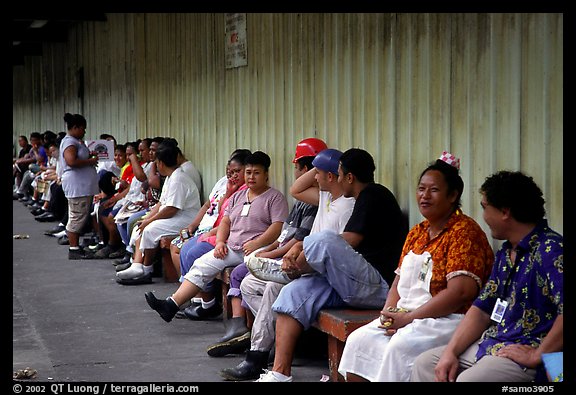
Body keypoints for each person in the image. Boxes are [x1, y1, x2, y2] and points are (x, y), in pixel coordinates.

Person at [337, 152, 495, 382]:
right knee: (360, 340)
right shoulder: (417, 232)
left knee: (398, 348)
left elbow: (461, 292)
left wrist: (410, 318)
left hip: (447, 319)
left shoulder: (464, 232)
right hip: (408, 315)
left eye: (434, 190)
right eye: (421, 189)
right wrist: (389, 313)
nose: (425, 196)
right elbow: (398, 281)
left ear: (453, 195)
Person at [256, 148, 406, 382]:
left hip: (378, 287)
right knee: (292, 293)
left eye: (338, 173)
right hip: (352, 282)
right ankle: (279, 373)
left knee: (321, 239)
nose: (333, 178)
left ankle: (295, 269)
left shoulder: (374, 194)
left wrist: (303, 250)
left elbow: (348, 241)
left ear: (349, 177)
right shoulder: (358, 197)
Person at [411, 170, 563, 383]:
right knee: (426, 364)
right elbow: (482, 309)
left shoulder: (551, 249)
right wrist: (450, 352)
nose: (483, 216)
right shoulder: (506, 252)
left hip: (526, 352)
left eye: (485, 207)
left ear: (505, 212)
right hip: (493, 343)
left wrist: (538, 355)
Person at [209, 138, 326, 363]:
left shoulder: (314, 200)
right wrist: (268, 251)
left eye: (297, 168)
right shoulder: (302, 200)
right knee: (247, 282)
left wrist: (268, 253)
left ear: (307, 170)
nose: (295, 173)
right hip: (280, 254)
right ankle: (262, 335)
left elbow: (297, 241)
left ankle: (260, 344)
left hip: (298, 265)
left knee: (253, 278)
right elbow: (285, 236)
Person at [144, 151, 289, 322]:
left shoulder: (275, 198)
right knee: (201, 264)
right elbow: (225, 222)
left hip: (259, 250)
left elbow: (277, 227)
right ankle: (172, 305)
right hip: (233, 247)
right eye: (248, 173)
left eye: (256, 173)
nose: (251, 177)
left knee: (243, 274)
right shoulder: (237, 196)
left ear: (266, 174)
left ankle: (242, 323)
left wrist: (256, 243)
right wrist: (220, 242)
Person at [174, 149, 251, 320]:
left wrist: (217, 237)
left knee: (193, 252)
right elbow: (220, 209)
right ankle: (191, 299)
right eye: (230, 171)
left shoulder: (249, 191)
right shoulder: (229, 185)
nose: (233, 175)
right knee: (184, 248)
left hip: (233, 240)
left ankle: (206, 302)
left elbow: (230, 221)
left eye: (237, 171)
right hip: (217, 234)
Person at [116, 139, 202, 285]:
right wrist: (147, 217)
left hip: (186, 218)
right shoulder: (171, 177)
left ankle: (146, 269)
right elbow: (162, 203)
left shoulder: (178, 179)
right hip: (176, 215)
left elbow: (171, 209)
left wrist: (149, 221)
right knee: (141, 225)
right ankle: (137, 265)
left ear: (160, 163)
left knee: (150, 229)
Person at [58, 113, 100, 260]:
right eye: (83, 129)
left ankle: (74, 246)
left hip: (81, 185)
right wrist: (90, 161)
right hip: (78, 186)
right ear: (75, 127)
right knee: (77, 217)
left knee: (77, 215)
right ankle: (74, 248)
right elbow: (71, 161)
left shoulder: (74, 141)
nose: (84, 132)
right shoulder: (70, 142)